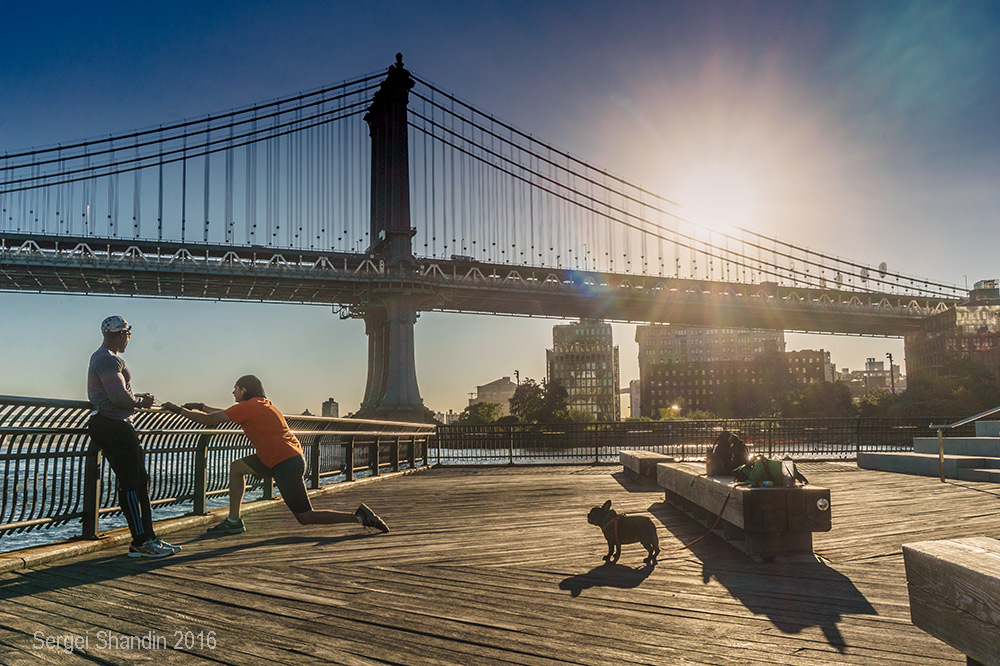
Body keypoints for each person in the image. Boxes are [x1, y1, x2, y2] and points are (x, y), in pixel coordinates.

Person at [161, 375, 389, 535]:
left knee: (305, 517)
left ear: (244, 390)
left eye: (236, 388)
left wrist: (176, 409)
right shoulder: (261, 404)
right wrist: (201, 405)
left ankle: (359, 517)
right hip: (281, 458)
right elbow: (221, 413)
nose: (232, 392)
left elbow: (211, 420)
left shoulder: (249, 406)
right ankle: (233, 520)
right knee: (237, 467)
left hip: (285, 463)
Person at [87, 315, 180, 559]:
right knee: (130, 483)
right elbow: (118, 398)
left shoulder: (110, 359)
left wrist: (135, 398)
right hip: (113, 424)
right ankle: (140, 542)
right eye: (128, 335)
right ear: (119, 334)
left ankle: (148, 537)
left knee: (141, 481)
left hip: (116, 423)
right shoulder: (107, 359)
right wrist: (141, 402)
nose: (128, 339)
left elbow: (116, 393)